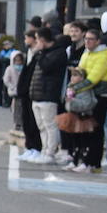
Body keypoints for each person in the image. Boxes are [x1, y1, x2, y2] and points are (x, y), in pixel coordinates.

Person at [70, 26, 107, 171]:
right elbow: (79, 72)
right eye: (86, 39)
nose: (87, 42)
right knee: (82, 128)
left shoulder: (103, 56)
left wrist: (74, 89)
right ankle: (80, 159)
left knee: (94, 128)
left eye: (91, 39)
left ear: (98, 41)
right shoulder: (86, 53)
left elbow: (93, 79)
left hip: (99, 96)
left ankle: (92, 162)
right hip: (86, 95)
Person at [27, 26, 67, 164]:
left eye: (37, 39)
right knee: (41, 126)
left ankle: (50, 152)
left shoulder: (58, 53)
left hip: (49, 94)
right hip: (37, 94)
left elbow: (46, 67)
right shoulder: (42, 54)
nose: (36, 43)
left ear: (43, 40)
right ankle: (44, 150)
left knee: (50, 125)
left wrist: (40, 52)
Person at [14, 29, 42, 160]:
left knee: (33, 122)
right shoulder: (29, 53)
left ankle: (36, 148)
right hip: (24, 92)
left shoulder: (38, 54)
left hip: (33, 92)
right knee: (26, 121)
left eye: (27, 37)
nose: (25, 40)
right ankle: (29, 147)